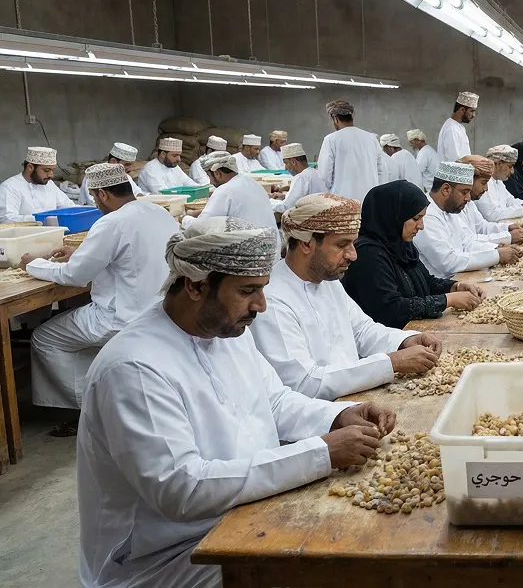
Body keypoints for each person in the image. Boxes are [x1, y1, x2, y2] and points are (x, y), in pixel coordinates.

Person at [77, 216, 395, 588]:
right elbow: (182, 488)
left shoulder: (228, 330)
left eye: (262, 289)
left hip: (243, 514)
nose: (261, 305)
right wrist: (321, 453)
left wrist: (339, 415)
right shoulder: (134, 367)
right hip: (165, 558)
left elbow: (274, 403)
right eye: (247, 291)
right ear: (195, 286)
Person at [18, 163, 178, 433]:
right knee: (71, 327)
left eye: (94, 197)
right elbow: (123, 257)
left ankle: (88, 409)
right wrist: (79, 254)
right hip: (162, 309)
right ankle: (106, 389)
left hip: (123, 317)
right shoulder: (156, 211)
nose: (95, 203)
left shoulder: (112, 222)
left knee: (45, 338)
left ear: (102, 194)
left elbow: (74, 276)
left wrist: (33, 264)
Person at [252, 194, 444, 400]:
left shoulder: (328, 279)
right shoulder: (272, 300)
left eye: (353, 243)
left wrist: (405, 340)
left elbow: (362, 330)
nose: (353, 255)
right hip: (322, 420)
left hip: (354, 398)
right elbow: (304, 383)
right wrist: (392, 363)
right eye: (342, 245)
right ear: (306, 244)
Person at [343, 180, 486, 329]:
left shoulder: (401, 244)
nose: (421, 226)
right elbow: (391, 309)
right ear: (393, 215)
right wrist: (448, 300)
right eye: (416, 219)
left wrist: (455, 287)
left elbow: (426, 281)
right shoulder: (367, 255)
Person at [415, 162, 521, 278]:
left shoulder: (448, 209)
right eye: (464, 192)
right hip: (443, 288)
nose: (468, 198)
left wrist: (496, 249)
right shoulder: (426, 215)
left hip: (459, 278)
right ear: (445, 189)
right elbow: (448, 262)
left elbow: (466, 243)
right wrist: (497, 255)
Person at [184, 153, 277, 234]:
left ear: (217, 173)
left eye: (209, 176)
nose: (210, 183)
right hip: (272, 247)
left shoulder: (224, 190)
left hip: (252, 250)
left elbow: (201, 227)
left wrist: (184, 219)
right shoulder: (252, 182)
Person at [318, 99, 388, 202]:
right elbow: (382, 171)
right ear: (352, 116)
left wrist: (335, 187)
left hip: (342, 201)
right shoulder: (371, 138)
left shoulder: (331, 139)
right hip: (369, 200)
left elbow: (324, 175)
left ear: (335, 118)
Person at [457, 155, 523, 246]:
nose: (486, 188)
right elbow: (467, 242)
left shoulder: (469, 201)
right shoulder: (451, 207)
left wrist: (507, 228)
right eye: (483, 183)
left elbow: (481, 226)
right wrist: (507, 237)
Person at [0, 147, 75, 223]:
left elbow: (69, 207)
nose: (51, 175)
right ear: (30, 167)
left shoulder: (49, 185)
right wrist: (39, 219)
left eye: (52, 170)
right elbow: (6, 219)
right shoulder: (10, 187)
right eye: (46, 170)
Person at [475, 144, 523, 221]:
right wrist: (522, 208)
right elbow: (492, 215)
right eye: (510, 166)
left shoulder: (498, 181)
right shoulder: (482, 183)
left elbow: (510, 201)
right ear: (499, 164)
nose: (512, 171)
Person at [77, 142, 146, 206]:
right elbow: (94, 202)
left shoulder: (125, 176)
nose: (130, 168)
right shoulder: (95, 175)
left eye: (131, 165)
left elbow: (138, 193)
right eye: (127, 164)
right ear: (113, 161)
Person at [273, 143, 328, 213]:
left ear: (293, 162)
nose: (285, 168)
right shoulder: (315, 172)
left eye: (286, 163)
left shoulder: (301, 177)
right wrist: (285, 196)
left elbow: (287, 207)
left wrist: (267, 203)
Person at [436, 91, 478, 167]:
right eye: (472, 111)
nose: (474, 115)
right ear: (462, 110)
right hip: (452, 177)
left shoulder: (459, 127)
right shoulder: (451, 128)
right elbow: (455, 161)